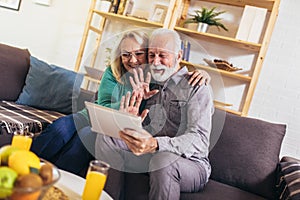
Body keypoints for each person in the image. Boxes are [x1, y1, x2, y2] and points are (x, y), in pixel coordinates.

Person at [30, 29, 211, 175]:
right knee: (60, 128)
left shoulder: (156, 75)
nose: (132, 60)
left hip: (115, 129)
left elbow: (176, 75)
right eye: (126, 55)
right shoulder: (114, 71)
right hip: (94, 116)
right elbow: (104, 104)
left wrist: (203, 74)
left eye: (139, 54)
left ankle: (57, 183)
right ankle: (25, 165)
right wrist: (128, 103)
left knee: (84, 138)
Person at [95, 28, 214, 200]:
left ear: (179, 56)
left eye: (163, 56)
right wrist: (131, 118)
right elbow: (142, 129)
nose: (156, 62)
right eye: (151, 55)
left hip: (191, 163)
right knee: (108, 137)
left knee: (164, 161)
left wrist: (156, 144)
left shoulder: (196, 87)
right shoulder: (149, 82)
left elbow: (199, 140)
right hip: (150, 153)